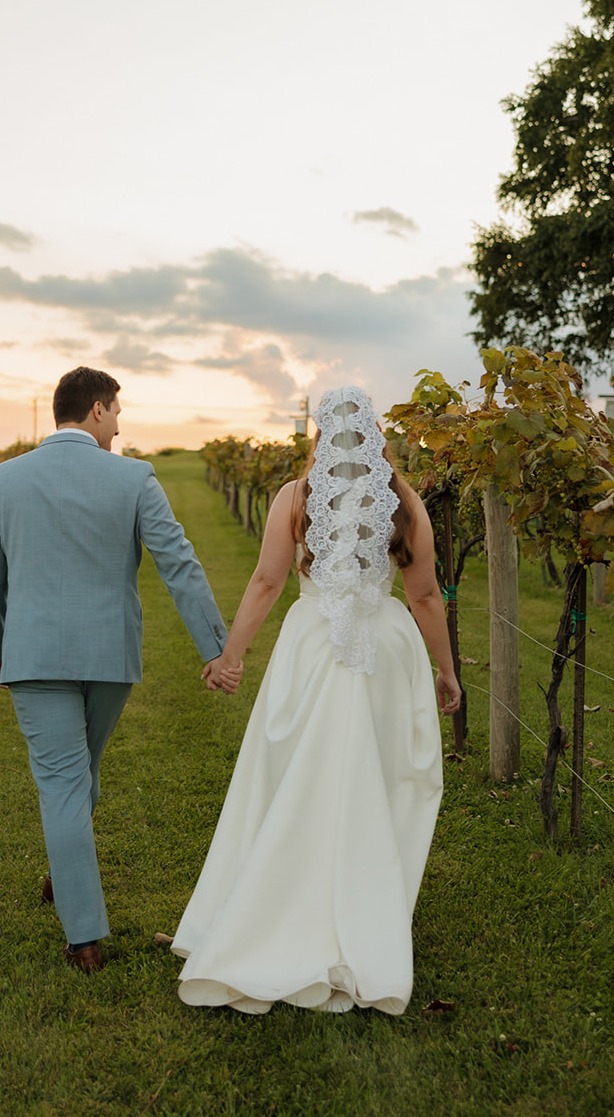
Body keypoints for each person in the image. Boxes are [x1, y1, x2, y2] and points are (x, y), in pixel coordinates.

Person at [172, 386, 462, 1014]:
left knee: (293, 776)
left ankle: (284, 900)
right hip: (386, 649)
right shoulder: (404, 502)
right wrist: (445, 668)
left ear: (321, 437)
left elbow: (269, 579)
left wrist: (232, 655)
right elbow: (426, 595)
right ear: (378, 434)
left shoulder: (296, 498)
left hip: (311, 644)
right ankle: (368, 909)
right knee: (377, 779)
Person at [0, 366, 239, 974]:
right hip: (110, 657)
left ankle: (71, 892)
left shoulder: (1, 480)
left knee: (70, 779)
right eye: (116, 412)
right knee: (74, 777)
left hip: (34, 657)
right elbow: (180, 564)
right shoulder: (135, 477)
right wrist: (215, 649)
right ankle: (83, 931)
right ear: (94, 411)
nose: (119, 425)